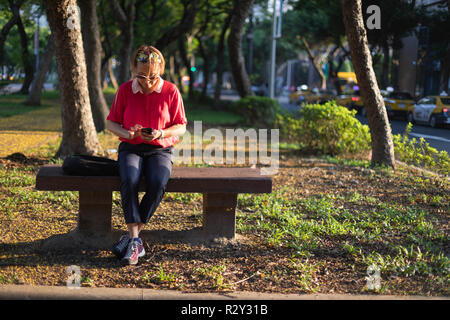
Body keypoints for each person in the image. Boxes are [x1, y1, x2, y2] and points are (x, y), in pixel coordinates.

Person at [106, 45, 187, 265]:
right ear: (134, 69)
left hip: (160, 148)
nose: (148, 82)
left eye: (153, 76)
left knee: (158, 181)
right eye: (142, 76)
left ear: (160, 70)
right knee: (129, 179)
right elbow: (110, 123)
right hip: (131, 147)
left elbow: (181, 126)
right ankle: (135, 241)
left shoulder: (171, 91)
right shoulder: (125, 90)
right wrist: (128, 133)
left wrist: (161, 132)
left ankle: (131, 237)